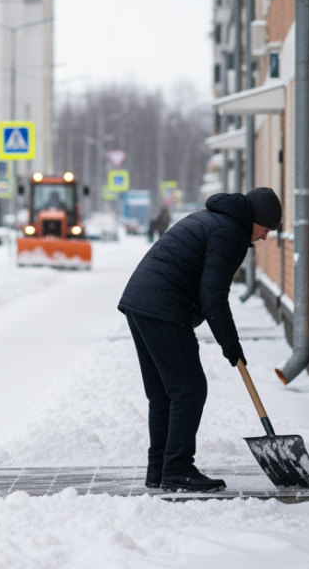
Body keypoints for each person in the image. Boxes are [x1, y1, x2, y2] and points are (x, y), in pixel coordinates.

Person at [118, 187, 281, 493]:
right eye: (266, 229)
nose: (263, 237)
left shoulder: (211, 219)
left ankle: (159, 469)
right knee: (190, 390)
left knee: (165, 394)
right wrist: (230, 344)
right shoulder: (231, 233)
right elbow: (213, 295)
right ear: (256, 219)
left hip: (140, 302)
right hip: (163, 307)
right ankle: (177, 470)